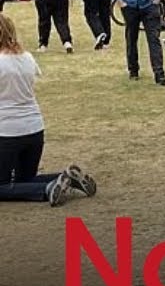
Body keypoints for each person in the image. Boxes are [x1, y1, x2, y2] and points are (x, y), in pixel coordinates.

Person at [0, 13, 97, 206]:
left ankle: (48, 188)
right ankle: (66, 178)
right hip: (34, 128)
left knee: (3, 185)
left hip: (7, 132)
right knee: (24, 180)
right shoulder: (27, 57)